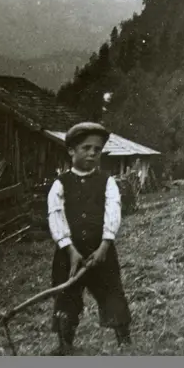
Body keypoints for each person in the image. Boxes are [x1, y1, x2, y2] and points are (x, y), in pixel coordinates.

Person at [47, 122, 132, 355]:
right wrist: (69, 249)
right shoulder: (59, 185)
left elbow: (113, 213)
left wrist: (105, 245)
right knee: (67, 297)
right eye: (86, 148)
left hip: (101, 252)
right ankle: (65, 343)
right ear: (72, 151)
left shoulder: (108, 182)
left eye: (97, 149)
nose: (93, 153)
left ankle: (124, 341)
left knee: (112, 291)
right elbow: (56, 217)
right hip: (69, 254)